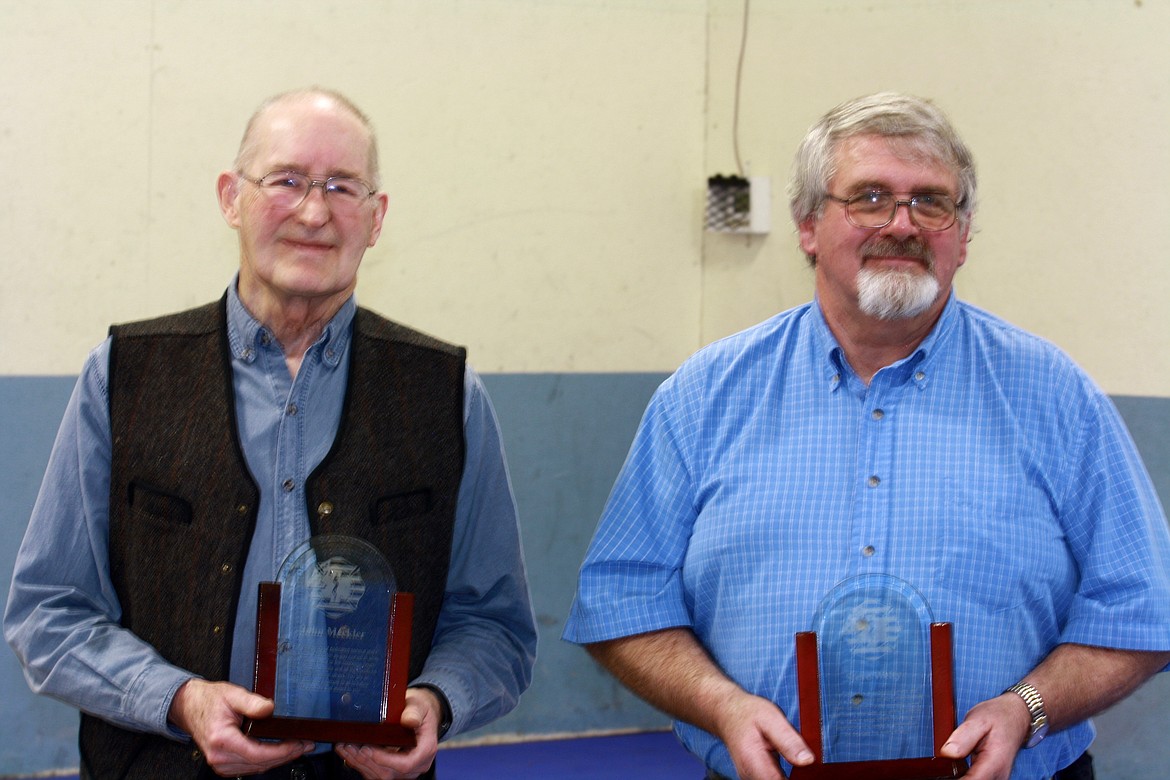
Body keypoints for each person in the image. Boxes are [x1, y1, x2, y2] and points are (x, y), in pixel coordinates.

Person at [563, 92, 1170, 780]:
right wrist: (719, 704)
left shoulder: (1056, 397)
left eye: (931, 202)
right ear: (807, 226)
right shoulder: (703, 398)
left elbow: (1141, 609)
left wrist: (1026, 707)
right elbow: (620, 599)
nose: (902, 224)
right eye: (870, 197)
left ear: (963, 234)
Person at [5, 88, 537, 780]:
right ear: (231, 198)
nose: (314, 212)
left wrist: (437, 700)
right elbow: (49, 610)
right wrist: (178, 700)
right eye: (286, 180)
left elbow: (495, 625)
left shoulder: (447, 396)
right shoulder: (125, 377)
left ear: (376, 220)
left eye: (343, 187)